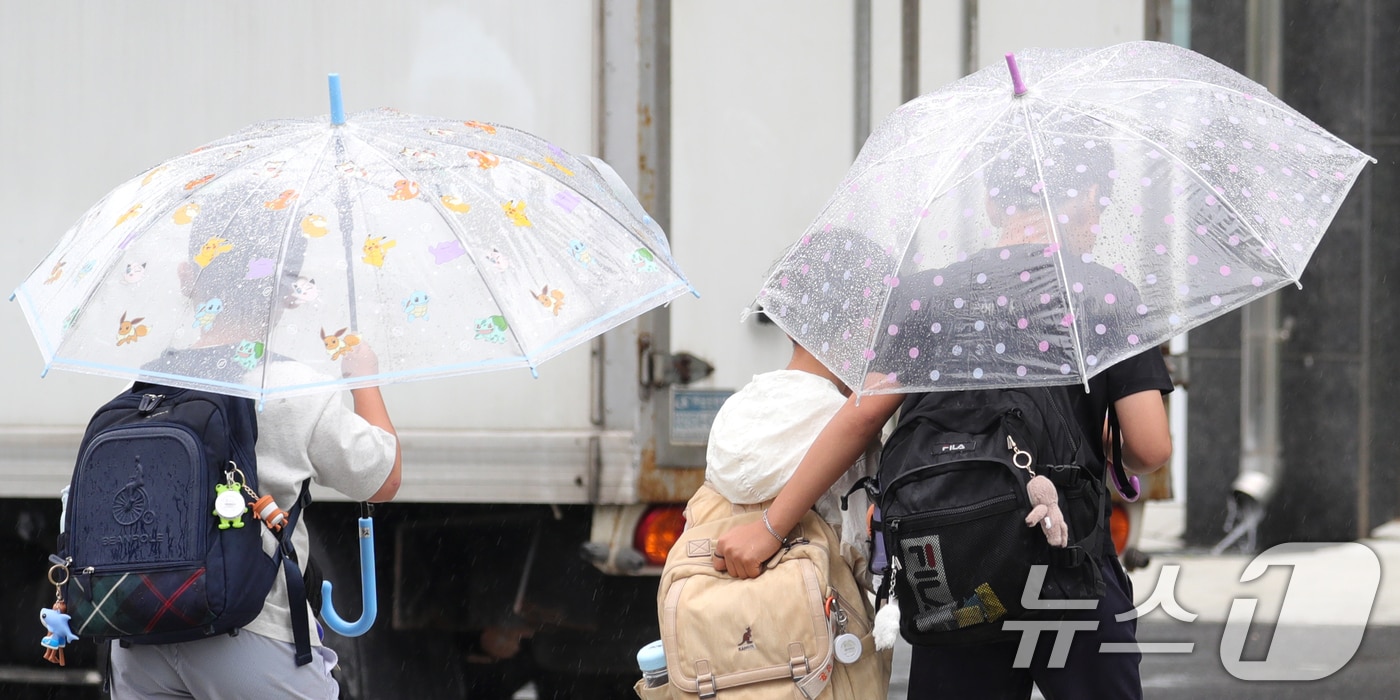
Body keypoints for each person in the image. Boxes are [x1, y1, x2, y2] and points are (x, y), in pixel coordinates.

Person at [718, 147, 1173, 698]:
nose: (1096, 224)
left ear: (991, 203)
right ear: (1072, 200)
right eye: (1096, 207)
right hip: (1069, 567)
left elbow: (861, 417)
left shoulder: (926, 298)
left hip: (957, 569)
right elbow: (1150, 447)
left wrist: (770, 528)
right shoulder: (1105, 294)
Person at [108, 226, 402, 699]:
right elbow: (382, 478)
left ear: (188, 277)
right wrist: (363, 377)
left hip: (139, 636)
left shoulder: (139, 392)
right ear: (287, 294)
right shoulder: (294, 389)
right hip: (250, 632)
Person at [703, 331, 892, 697]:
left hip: (738, 632)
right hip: (817, 647)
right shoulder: (844, 422)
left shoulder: (737, 407)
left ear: (791, 329)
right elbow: (864, 552)